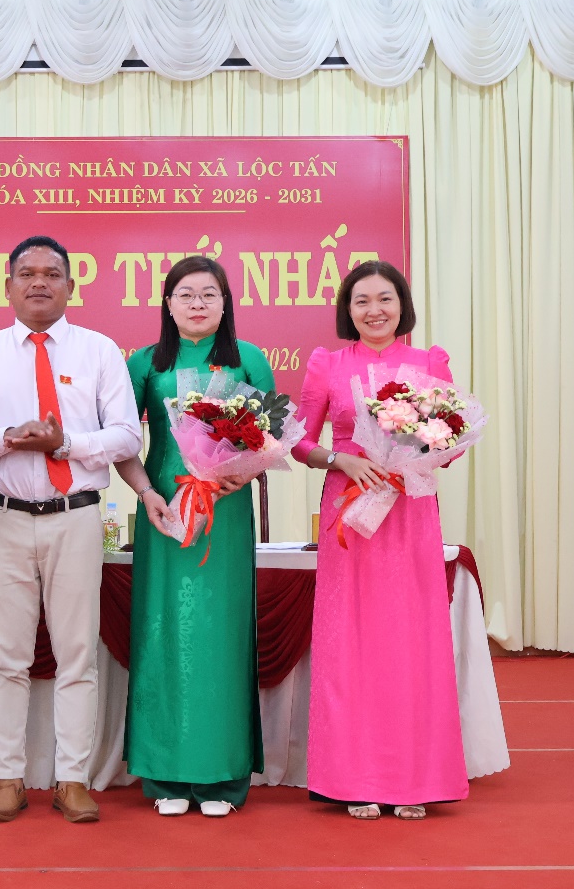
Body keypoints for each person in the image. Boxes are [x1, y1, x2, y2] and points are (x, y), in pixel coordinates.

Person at [0, 235, 141, 824]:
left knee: (77, 655)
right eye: (27, 273)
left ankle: (72, 780)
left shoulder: (99, 351)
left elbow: (127, 436)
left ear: (70, 286)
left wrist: (66, 443)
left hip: (76, 516)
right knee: (5, 656)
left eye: (52, 274)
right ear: (7, 286)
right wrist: (8, 438)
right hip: (2, 518)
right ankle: (7, 779)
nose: (39, 282)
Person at [292, 259, 467, 821]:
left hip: (410, 511)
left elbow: (451, 441)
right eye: (361, 300)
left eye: (385, 299)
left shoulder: (429, 363)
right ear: (348, 310)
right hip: (351, 511)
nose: (374, 310)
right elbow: (299, 441)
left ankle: (414, 779)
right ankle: (353, 777)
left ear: (402, 305)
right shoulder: (327, 365)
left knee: (411, 639)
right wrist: (339, 458)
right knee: (352, 641)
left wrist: (420, 451)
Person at [112, 256, 274, 818]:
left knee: (221, 634)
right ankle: (165, 774)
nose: (198, 303)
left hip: (225, 512)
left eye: (209, 293)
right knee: (162, 631)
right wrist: (145, 494)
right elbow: (121, 442)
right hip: (165, 510)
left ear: (226, 303)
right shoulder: (144, 363)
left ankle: (221, 776)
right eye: (186, 294)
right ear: (168, 304)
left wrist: (239, 476)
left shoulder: (249, 358)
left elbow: (271, 435)